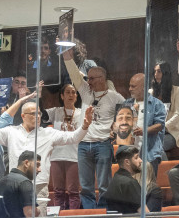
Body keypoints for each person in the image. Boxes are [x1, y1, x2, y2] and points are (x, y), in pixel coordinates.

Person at [0, 92, 93, 218]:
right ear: (22, 116)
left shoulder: (48, 133)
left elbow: (73, 137)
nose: (37, 116)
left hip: (39, 186)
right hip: (15, 187)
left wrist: (84, 126)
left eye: (39, 113)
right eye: (32, 113)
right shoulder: (11, 131)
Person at [62, 45, 125, 209]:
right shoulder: (85, 92)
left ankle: (104, 212)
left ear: (102, 79)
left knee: (104, 185)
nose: (87, 81)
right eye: (87, 78)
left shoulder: (115, 97)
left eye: (91, 78)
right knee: (86, 186)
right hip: (83, 144)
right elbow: (75, 75)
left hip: (103, 144)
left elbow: (126, 118)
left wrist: (116, 128)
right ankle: (90, 214)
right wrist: (66, 56)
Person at [46, 84, 82, 209]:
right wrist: (39, 95)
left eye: (74, 92)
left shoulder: (81, 113)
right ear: (62, 96)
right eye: (68, 92)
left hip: (74, 156)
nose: (71, 95)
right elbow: (40, 114)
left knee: (73, 192)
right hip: (56, 156)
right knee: (58, 191)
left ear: (77, 96)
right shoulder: (55, 111)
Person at [123, 73, 166, 174]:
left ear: (144, 87)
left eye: (133, 86)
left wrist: (144, 131)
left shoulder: (157, 103)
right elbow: (121, 125)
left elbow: (160, 125)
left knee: (149, 185)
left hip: (149, 151)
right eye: (129, 86)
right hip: (130, 151)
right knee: (132, 185)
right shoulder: (127, 103)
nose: (130, 89)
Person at [151, 61, 179, 158]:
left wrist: (162, 126)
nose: (156, 74)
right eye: (155, 72)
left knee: (156, 146)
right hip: (153, 132)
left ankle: (163, 172)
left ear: (166, 73)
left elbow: (178, 115)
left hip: (170, 132)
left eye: (159, 72)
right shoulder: (151, 92)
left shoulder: (177, 90)